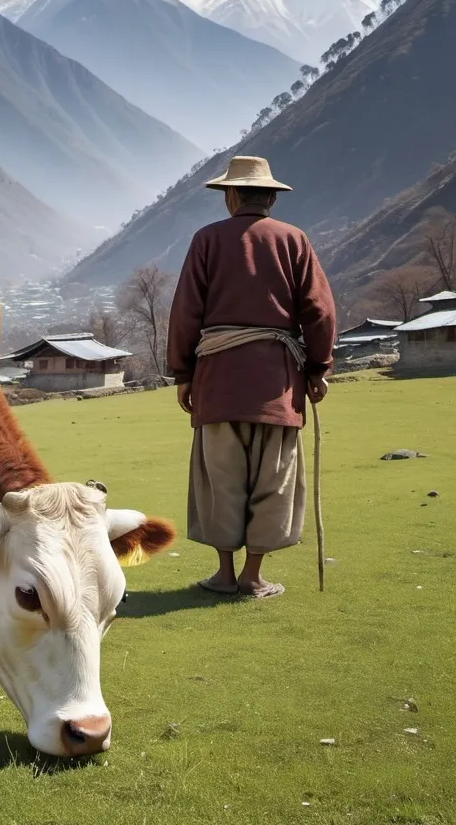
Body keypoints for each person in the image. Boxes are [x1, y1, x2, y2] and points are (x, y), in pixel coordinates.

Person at [166, 155, 336, 599]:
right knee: (272, 479)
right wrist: (318, 369)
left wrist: (184, 373)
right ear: (271, 198)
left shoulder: (207, 240)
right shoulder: (294, 240)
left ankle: (223, 574)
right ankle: (253, 576)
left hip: (218, 382)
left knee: (221, 479)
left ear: (232, 196)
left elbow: (186, 312)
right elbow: (318, 313)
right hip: (278, 385)